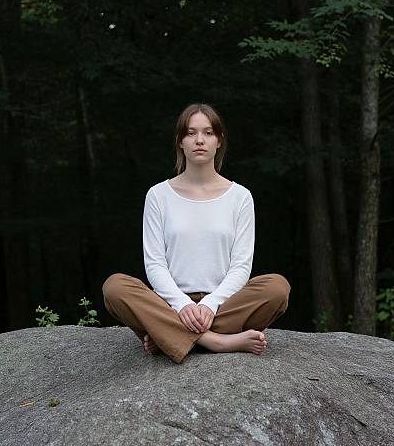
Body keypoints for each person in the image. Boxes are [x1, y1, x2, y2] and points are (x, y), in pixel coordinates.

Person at [102, 103, 290, 363]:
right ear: (180, 141)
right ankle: (216, 341)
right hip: (170, 304)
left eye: (208, 133)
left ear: (219, 141)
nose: (199, 140)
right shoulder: (158, 195)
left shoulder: (240, 197)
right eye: (190, 133)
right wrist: (183, 305)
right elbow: (155, 263)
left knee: (277, 288)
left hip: (225, 304)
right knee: (115, 287)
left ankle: (166, 336)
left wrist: (210, 305)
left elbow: (241, 266)